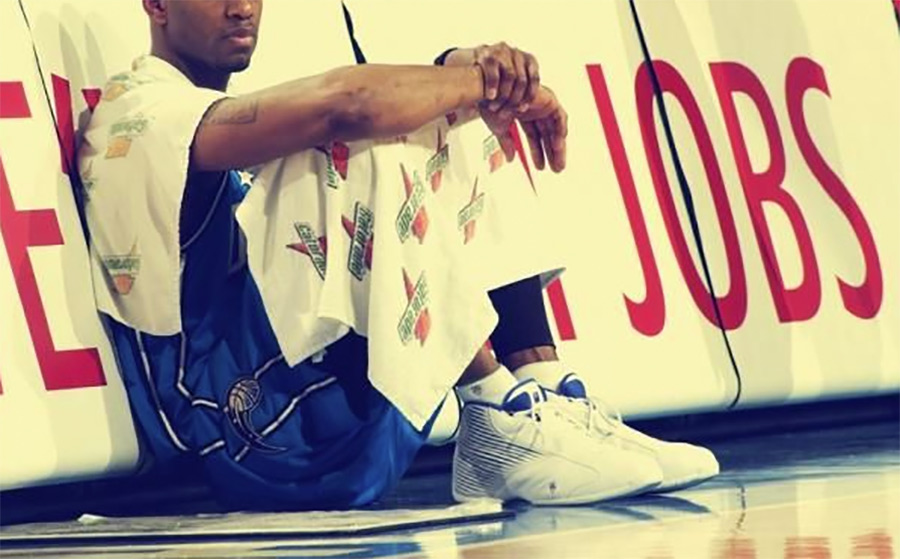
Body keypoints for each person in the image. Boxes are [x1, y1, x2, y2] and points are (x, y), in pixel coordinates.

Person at [78, 0, 717, 510]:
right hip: (246, 434)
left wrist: (470, 79)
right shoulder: (139, 113)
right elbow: (348, 107)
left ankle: (543, 398)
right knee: (371, 137)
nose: (242, 7)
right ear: (156, 4)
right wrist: (473, 77)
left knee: (452, 114)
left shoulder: (198, 105)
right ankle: (493, 409)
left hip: (305, 395)